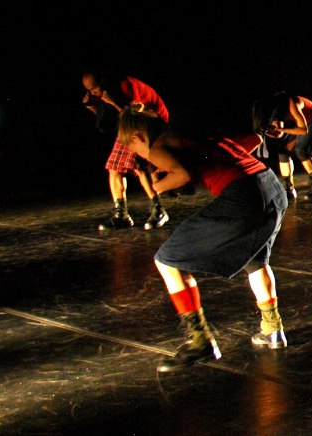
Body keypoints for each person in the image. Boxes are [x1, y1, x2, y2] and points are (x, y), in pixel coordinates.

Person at [116, 106, 290, 372]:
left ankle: (200, 340)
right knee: (255, 261)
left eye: (132, 148)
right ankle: (273, 330)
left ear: (137, 137)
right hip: (272, 187)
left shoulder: (159, 147)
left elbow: (182, 174)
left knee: (167, 259)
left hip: (243, 196)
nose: (136, 154)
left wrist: (155, 186)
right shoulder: (191, 136)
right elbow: (254, 140)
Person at [82, 72, 170, 231]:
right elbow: (107, 120)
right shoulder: (105, 93)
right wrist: (91, 105)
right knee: (114, 167)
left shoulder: (125, 86)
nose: (93, 92)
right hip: (131, 125)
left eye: (94, 88)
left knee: (139, 166)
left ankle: (158, 210)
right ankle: (121, 215)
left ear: (102, 81)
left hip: (151, 121)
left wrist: (112, 102)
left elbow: (135, 114)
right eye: (89, 90)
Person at [252, 92, 312, 201]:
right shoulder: (276, 114)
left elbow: (303, 130)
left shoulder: (292, 103)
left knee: (301, 151)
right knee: (283, 152)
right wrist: (267, 132)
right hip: (300, 125)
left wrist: (283, 129)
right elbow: (279, 134)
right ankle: (289, 189)